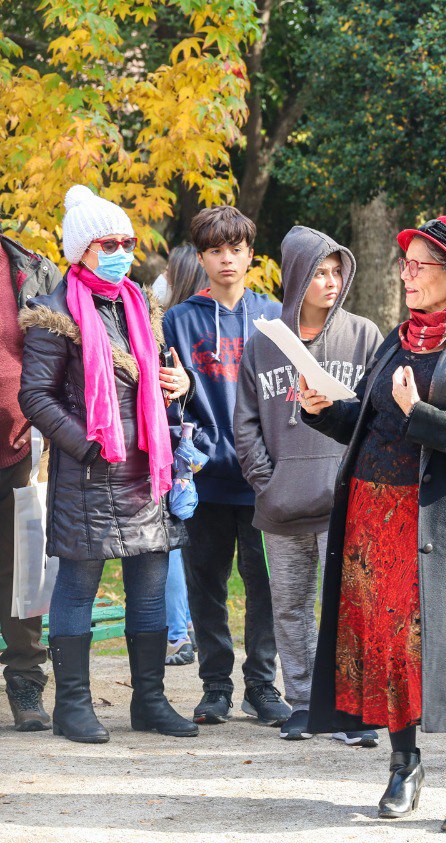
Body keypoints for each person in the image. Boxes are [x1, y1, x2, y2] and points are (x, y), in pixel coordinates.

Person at [299, 216, 446, 831]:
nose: (406, 274)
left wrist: (419, 412)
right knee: (386, 644)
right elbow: (371, 422)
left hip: (439, 524)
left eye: (419, 265)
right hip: (374, 517)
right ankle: (403, 766)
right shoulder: (397, 339)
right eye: (405, 264)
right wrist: (324, 409)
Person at [18, 185, 197, 743]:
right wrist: (89, 444)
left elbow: (157, 377)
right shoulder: (53, 314)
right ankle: (72, 707)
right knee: (78, 586)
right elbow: (35, 396)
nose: (122, 253)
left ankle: (150, 701)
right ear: (81, 251)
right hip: (89, 474)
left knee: (150, 587)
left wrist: (181, 383)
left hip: (147, 470)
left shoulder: (140, 304)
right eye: (109, 244)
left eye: (127, 242)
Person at [235, 226, 382, 746]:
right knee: (290, 604)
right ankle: (301, 702)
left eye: (337, 271)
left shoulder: (363, 335)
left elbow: (378, 414)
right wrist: (267, 482)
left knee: (348, 604)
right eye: (320, 272)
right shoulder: (264, 342)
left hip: (344, 500)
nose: (331, 281)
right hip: (283, 502)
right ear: (298, 276)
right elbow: (246, 423)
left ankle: (348, 707)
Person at [163, 207, 287, 726]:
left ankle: (261, 685)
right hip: (204, 479)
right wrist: (182, 388)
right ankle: (215, 686)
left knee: (265, 586)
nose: (226, 259)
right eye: (215, 250)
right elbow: (163, 398)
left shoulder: (275, 316)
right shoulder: (178, 319)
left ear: (250, 255)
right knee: (206, 584)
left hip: (263, 479)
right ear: (201, 257)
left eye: (235, 249)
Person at [0, 232, 59, 731]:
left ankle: (25, 683)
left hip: (19, 449)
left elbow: (61, 352)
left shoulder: (30, 268)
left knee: (23, 573)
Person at [154, 244, 205, 666]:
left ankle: (177, 633)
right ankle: (190, 626)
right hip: (207, 447)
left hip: (175, 444)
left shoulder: (166, 329)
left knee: (171, 540)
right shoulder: (203, 326)